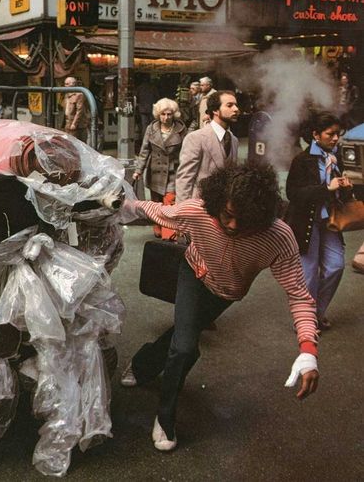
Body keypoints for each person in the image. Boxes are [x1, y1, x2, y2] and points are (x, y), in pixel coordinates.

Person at [120, 164, 319, 451]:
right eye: (227, 214)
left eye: (245, 219)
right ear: (216, 204)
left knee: (182, 337)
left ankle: (142, 364)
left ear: (262, 214)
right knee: (186, 346)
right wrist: (113, 202)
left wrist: (308, 350)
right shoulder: (198, 211)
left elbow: (299, 294)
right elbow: (153, 210)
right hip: (193, 273)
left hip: (225, 294)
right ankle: (165, 417)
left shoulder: (278, 236)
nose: (234, 225)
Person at [285, 111, 352, 332]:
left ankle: (317, 312)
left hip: (330, 220)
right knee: (309, 272)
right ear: (315, 134)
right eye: (330, 134)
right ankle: (305, 320)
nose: (335, 139)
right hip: (306, 222)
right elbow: (293, 193)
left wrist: (346, 189)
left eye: (338, 134)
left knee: (336, 266)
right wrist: (327, 188)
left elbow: (341, 194)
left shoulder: (337, 158)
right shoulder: (301, 160)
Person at [132, 98, 187, 239]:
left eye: (169, 114)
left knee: (169, 202)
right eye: (163, 114)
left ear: (174, 114)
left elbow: (187, 151)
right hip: (154, 171)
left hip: (173, 172)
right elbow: (145, 150)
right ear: (158, 114)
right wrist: (139, 170)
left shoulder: (181, 129)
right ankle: (158, 227)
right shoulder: (152, 128)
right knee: (156, 203)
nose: (166, 118)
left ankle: (168, 235)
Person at [175, 90, 240, 202]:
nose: (236, 109)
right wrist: (182, 211)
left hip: (223, 208)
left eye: (236, 105)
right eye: (229, 105)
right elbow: (185, 179)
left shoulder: (234, 140)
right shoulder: (196, 138)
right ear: (215, 110)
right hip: (200, 206)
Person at [62, 76, 90, 142]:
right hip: (68, 123)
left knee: (78, 143)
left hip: (77, 125)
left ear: (73, 84)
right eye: (65, 84)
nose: (65, 86)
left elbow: (79, 111)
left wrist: (74, 124)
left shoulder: (79, 95)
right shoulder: (67, 95)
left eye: (67, 84)